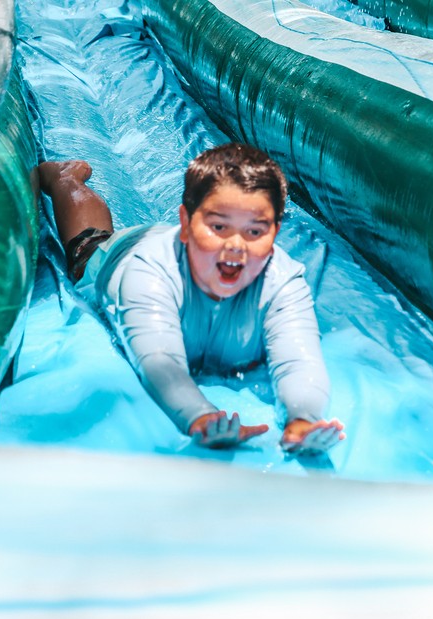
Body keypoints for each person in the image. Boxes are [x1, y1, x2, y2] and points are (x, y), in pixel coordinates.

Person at [39, 143, 345, 452]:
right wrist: (199, 415)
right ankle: (66, 179)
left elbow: (299, 361)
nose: (236, 245)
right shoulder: (147, 275)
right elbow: (159, 360)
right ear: (185, 224)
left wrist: (302, 419)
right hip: (124, 253)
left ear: (275, 233)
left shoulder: (282, 281)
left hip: (193, 253)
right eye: (219, 227)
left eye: (255, 232)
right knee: (87, 243)